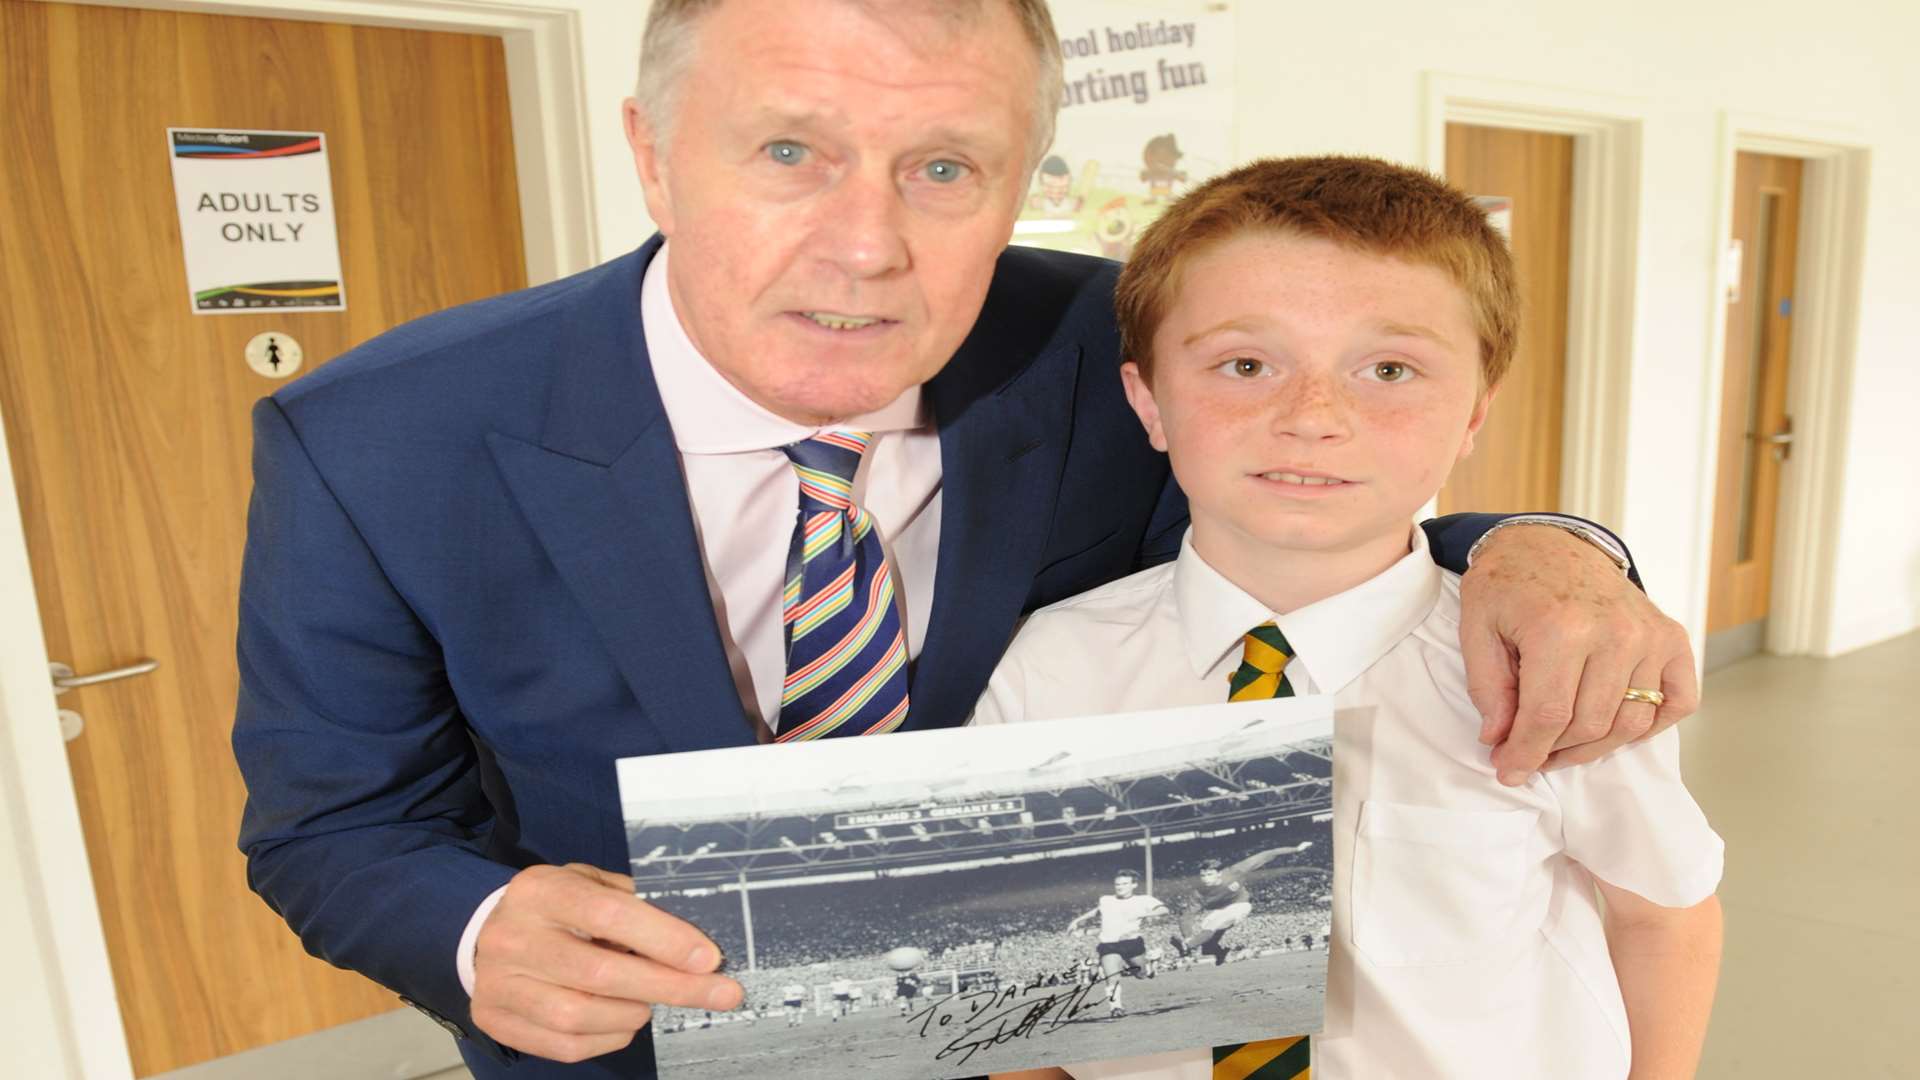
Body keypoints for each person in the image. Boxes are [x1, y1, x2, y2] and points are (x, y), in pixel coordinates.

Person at [231, 1, 1698, 1076]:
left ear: (1021, 180)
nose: (867, 244)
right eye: (790, 150)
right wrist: (483, 935)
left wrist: (1545, 548)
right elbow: (333, 827)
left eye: (946, 169)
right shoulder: (382, 440)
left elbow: (1328, 481)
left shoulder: (1100, 346)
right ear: (653, 153)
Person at [972, 156, 1725, 1079]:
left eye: (1390, 368)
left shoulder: (1560, 670)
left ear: (1475, 413)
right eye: (1245, 364)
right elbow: (1017, 990)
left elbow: (1663, 915)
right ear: (1148, 401)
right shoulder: (1050, 669)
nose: (1312, 416)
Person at [1063, 870, 1169, 1018]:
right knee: (1111, 975)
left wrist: (1143, 914)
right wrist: (1078, 920)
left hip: (1132, 942)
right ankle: (1116, 1007)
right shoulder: (1106, 899)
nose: (1120, 887)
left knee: (1141, 974)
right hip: (1109, 944)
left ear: (1134, 885)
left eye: (1125, 883)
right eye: (1117, 884)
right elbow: (1097, 911)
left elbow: (1164, 910)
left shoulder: (1144, 899)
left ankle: (1151, 966)